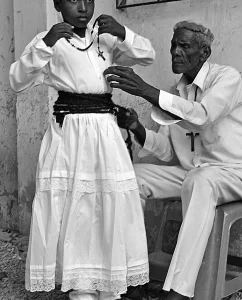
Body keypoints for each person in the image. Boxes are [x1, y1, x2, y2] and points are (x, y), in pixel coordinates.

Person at [103, 21, 242, 300]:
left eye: (184, 46)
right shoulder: (175, 93)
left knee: (200, 180)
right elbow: (168, 151)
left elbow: (201, 115)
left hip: (238, 173)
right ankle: (134, 278)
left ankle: (178, 291)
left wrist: (148, 92)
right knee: (130, 176)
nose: (176, 52)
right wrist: (136, 128)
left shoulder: (227, 78)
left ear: (204, 52)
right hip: (195, 174)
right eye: (173, 45)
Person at [9, 1, 156, 299]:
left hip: (105, 132)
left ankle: (110, 285)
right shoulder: (50, 41)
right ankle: (80, 286)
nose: (83, 7)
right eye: (73, 0)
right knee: (74, 207)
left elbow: (147, 55)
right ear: (58, 4)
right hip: (70, 135)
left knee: (107, 202)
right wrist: (47, 42)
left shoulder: (103, 38)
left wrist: (123, 32)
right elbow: (17, 79)